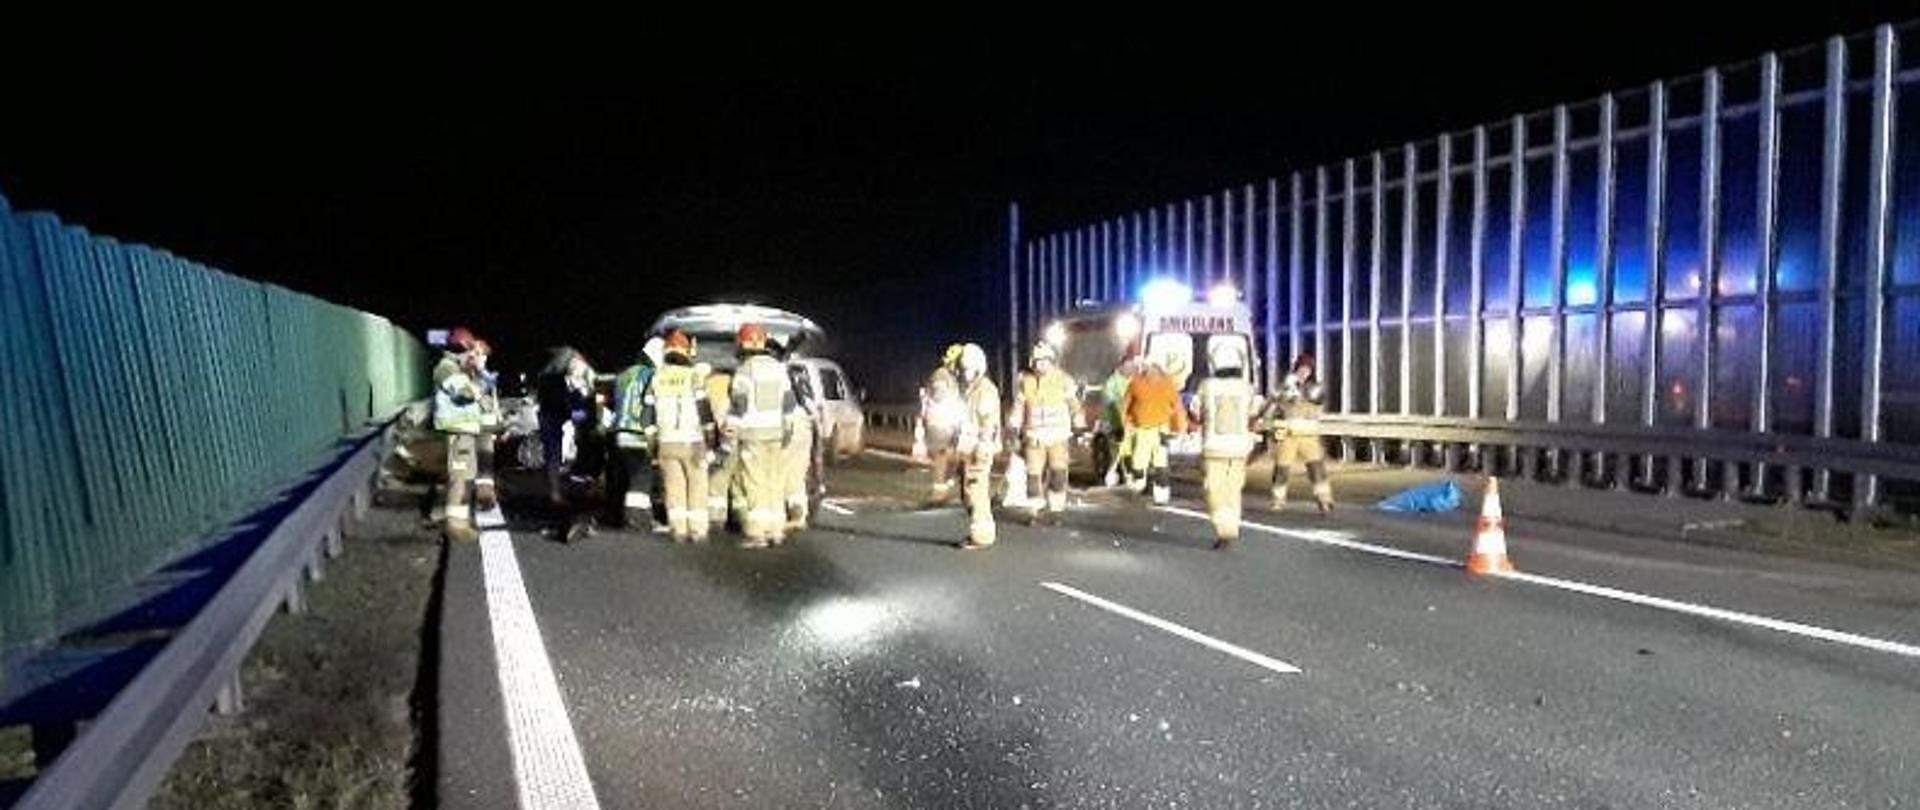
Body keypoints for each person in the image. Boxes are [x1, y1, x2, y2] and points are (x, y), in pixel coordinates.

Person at [729, 323, 796, 548]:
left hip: (753, 435)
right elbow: (789, 403)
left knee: (754, 482)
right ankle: (776, 531)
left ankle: (757, 533)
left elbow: (739, 405)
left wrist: (730, 432)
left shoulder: (745, 370)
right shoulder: (779, 368)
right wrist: (788, 429)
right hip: (777, 434)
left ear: (743, 343)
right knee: (775, 481)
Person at [645, 331, 714, 542]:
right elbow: (704, 409)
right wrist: (710, 436)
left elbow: (647, 415)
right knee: (698, 485)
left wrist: (652, 444)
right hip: (693, 441)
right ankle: (698, 530)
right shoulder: (694, 376)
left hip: (667, 441)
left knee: (674, 487)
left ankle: (678, 530)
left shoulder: (657, 378)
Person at [1192, 340, 1257, 549]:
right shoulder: (1247, 388)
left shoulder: (1207, 386)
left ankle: (1224, 528)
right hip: (1239, 448)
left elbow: (1195, 411)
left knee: (1215, 490)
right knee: (1233, 490)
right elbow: (1254, 413)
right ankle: (1232, 526)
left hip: (1214, 447)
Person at [1014, 342, 1080, 524]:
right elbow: (1019, 405)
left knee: (1058, 472)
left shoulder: (1063, 379)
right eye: (1038, 361)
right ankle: (1034, 511)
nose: (1041, 365)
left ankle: (1056, 509)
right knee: (1033, 474)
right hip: (1034, 436)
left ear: (1052, 362)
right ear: (1032, 363)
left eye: (1045, 361)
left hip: (1058, 436)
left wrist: (1078, 416)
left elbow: (1073, 402)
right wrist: (1014, 426)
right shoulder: (1025, 381)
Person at [1266, 352, 1334, 512]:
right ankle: (1278, 499)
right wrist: (1275, 433)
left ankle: (1324, 499)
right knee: (1282, 468)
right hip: (1288, 434)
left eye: (1307, 369)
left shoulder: (1315, 388)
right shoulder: (1284, 387)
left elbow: (1317, 401)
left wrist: (1297, 391)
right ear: (1296, 368)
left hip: (1308, 435)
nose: (1304, 372)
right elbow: (1275, 407)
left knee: (1316, 468)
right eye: (1301, 368)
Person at [432, 344, 487, 542]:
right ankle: (455, 526)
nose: (473, 357)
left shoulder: (459, 371)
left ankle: (461, 522)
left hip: (465, 432)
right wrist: (479, 374)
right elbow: (466, 394)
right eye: (471, 353)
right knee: (459, 478)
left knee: (465, 478)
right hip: (457, 432)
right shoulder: (447, 368)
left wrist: (477, 375)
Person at [610, 338, 665, 530]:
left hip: (619, 432)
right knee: (641, 477)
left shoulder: (623, 375)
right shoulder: (652, 375)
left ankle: (629, 517)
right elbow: (652, 406)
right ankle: (636, 520)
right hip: (639, 433)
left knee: (626, 477)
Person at [954, 343, 1002, 550]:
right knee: (968, 492)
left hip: (979, 449)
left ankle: (981, 536)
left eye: (968, 369)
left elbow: (988, 422)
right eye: (963, 368)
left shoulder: (985, 390)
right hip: (968, 448)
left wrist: (983, 445)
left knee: (976, 491)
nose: (964, 373)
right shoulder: (969, 390)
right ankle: (979, 531)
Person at [1121, 355, 1187, 505]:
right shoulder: (1143, 383)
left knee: (1154, 461)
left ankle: (1150, 487)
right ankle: (1153, 488)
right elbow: (1177, 407)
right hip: (1151, 429)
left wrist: (1181, 427)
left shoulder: (1141, 382)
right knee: (1150, 460)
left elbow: (1125, 406)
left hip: (1155, 429)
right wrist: (1181, 427)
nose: (1151, 371)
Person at [913, 344, 966, 506]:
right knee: (943, 458)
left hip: (947, 423)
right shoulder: (941, 376)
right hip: (940, 424)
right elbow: (940, 396)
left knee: (954, 457)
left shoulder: (953, 377)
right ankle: (939, 493)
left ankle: (947, 489)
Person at [778, 341, 820, 533]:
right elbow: (812, 409)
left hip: (789, 426)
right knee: (796, 474)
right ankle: (798, 514)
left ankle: (782, 516)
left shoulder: (777, 373)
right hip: (804, 426)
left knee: (779, 472)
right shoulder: (798, 375)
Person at [471, 339, 502, 511]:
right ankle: (480, 497)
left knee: (485, 462)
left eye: (478, 354)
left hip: (484, 424)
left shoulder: (487, 376)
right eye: (473, 353)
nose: (474, 356)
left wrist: (498, 422)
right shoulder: (468, 374)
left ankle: (485, 498)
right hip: (469, 423)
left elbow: (493, 401)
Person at [1100, 356, 1140, 487]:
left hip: (1131, 421)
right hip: (1114, 422)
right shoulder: (1112, 382)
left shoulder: (1135, 380)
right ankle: (1114, 473)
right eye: (1127, 367)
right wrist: (1118, 422)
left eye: (1132, 367)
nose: (1130, 369)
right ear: (1121, 367)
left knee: (1131, 450)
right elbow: (1110, 403)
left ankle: (1129, 475)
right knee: (1117, 451)